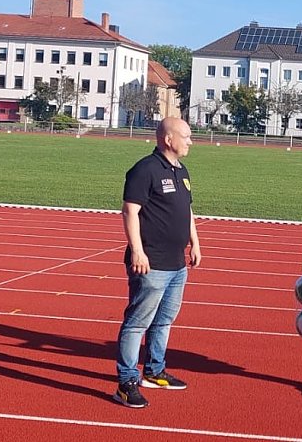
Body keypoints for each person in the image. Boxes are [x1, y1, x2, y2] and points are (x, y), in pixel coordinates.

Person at [113, 117, 202, 409]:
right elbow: (130, 211)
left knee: (164, 320)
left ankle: (154, 370)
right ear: (168, 139)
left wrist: (195, 242)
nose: (190, 141)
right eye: (186, 136)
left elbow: (187, 210)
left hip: (177, 264)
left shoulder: (181, 170)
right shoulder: (145, 170)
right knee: (137, 323)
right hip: (151, 264)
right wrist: (137, 251)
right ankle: (127, 382)